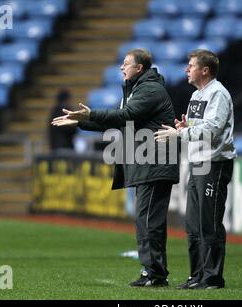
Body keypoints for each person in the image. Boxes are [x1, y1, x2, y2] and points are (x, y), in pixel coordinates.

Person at [51, 49, 179, 287]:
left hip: (155, 163)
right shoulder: (137, 89)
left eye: (126, 63)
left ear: (139, 68)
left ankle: (155, 274)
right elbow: (121, 122)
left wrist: (90, 113)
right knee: (145, 220)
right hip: (146, 163)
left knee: (149, 221)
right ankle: (152, 272)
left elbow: (126, 115)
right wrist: (83, 121)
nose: (121, 67)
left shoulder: (150, 89)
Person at [155, 49, 237, 290]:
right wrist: (186, 126)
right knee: (193, 223)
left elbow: (212, 129)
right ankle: (197, 275)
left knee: (209, 222)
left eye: (190, 66)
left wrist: (181, 132)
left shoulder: (218, 94)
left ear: (205, 70)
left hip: (214, 163)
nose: (186, 70)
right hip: (197, 162)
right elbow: (199, 127)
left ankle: (212, 277)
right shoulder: (196, 96)